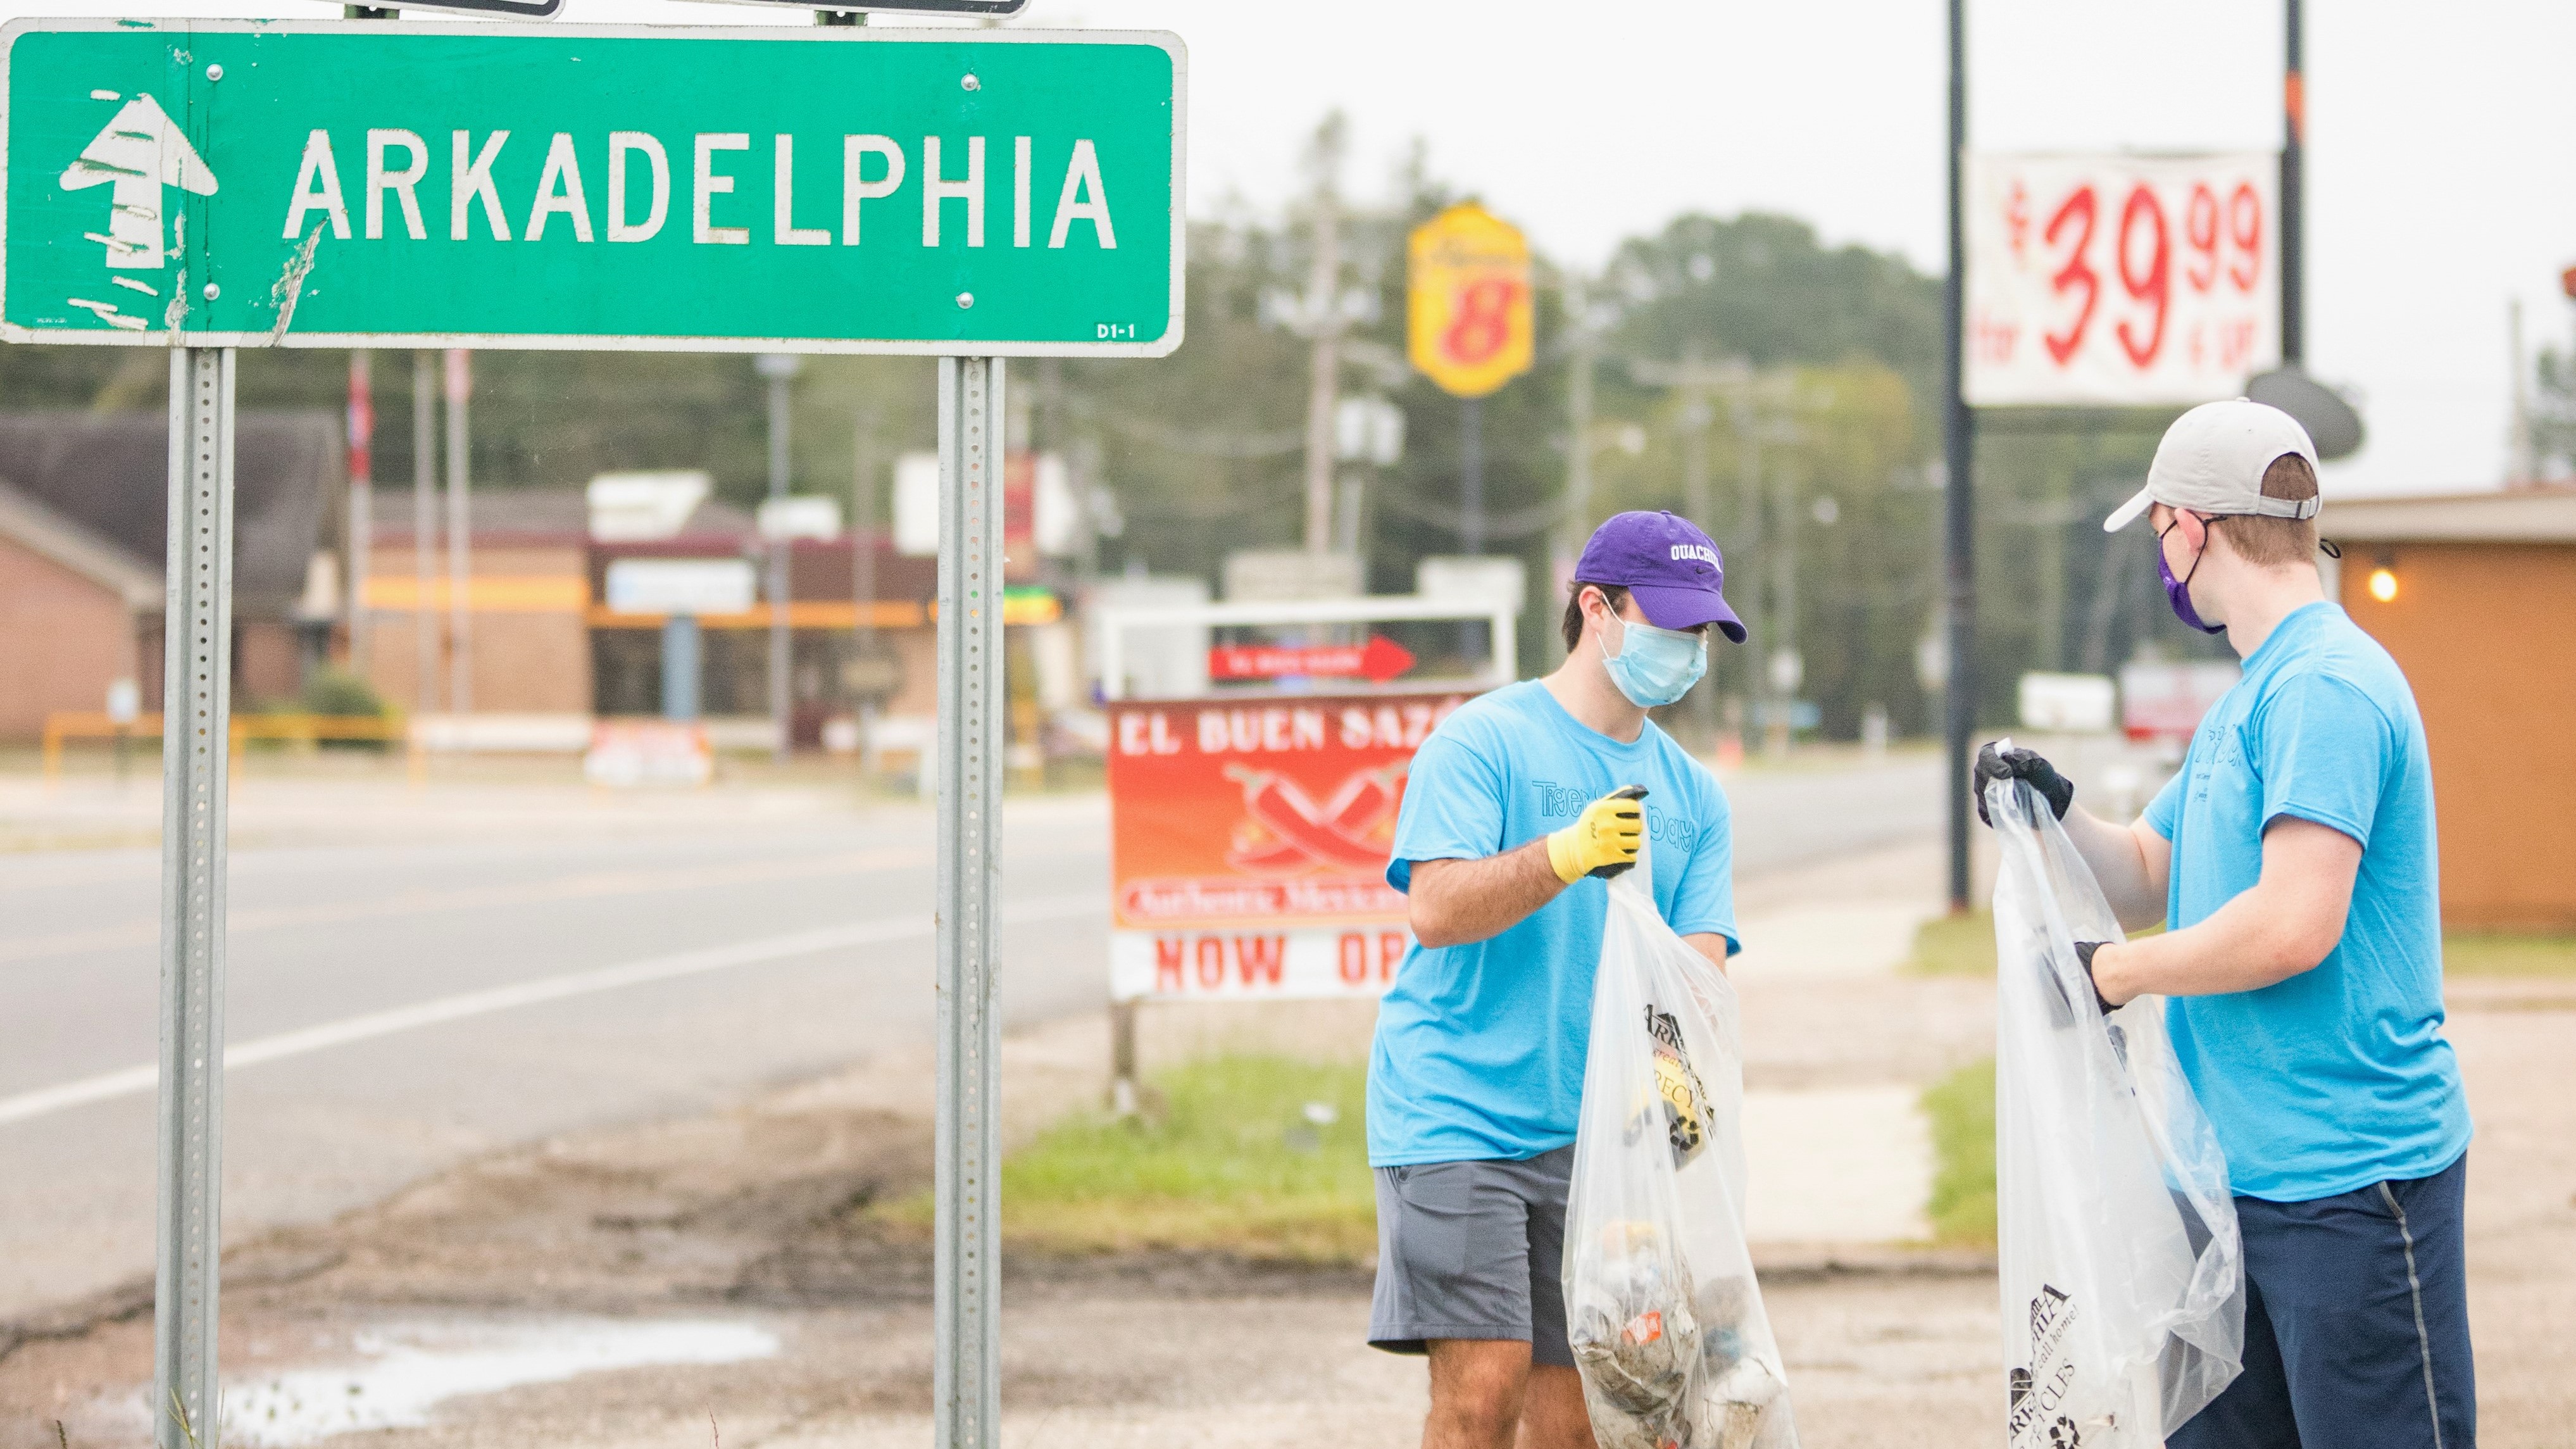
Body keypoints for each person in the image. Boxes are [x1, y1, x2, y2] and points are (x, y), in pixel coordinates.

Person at [1976, 398, 2473, 1448]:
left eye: (2159, 530)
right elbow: (2154, 871)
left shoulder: (2325, 687)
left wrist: (2111, 975)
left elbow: (2294, 922)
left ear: (2190, 528)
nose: (2162, 556)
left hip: (2347, 1187)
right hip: (2222, 1190)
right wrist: (2052, 807)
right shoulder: (2252, 699)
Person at [1367, 510, 1748, 1449]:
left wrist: (1676, 1085)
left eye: (1699, 630)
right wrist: (1567, 852)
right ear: (1596, 609)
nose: (1687, 648)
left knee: (1580, 1412)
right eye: (1667, 624)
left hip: (1601, 1140)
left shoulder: (1692, 794)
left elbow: (1694, 973)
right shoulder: (1482, 741)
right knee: (1482, 1393)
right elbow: (1437, 908)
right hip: (1459, 1110)